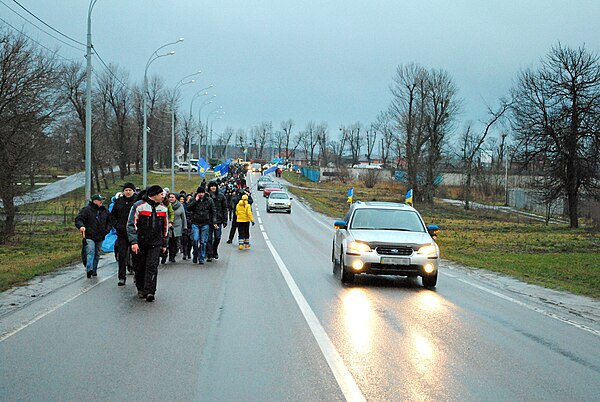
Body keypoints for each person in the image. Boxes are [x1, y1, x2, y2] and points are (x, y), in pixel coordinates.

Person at [127, 185, 168, 302]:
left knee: (152, 266)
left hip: (156, 243)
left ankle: (150, 291)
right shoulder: (139, 206)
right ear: (154, 195)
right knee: (140, 267)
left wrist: (164, 243)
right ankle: (140, 288)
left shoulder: (163, 209)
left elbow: (165, 228)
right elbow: (131, 225)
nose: (163, 196)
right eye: (161, 194)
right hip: (140, 242)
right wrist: (134, 242)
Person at [75, 194, 111, 278]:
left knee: (97, 253)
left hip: (100, 235)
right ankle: (89, 269)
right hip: (89, 235)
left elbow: (109, 221)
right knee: (90, 252)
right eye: (99, 200)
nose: (101, 201)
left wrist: (107, 230)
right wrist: (81, 226)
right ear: (94, 201)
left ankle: (94, 270)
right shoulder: (86, 210)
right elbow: (79, 219)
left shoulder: (104, 210)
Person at [109, 182, 137, 286]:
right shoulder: (119, 202)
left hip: (134, 233)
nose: (128, 192)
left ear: (133, 191)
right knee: (122, 255)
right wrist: (116, 225)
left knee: (136, 255)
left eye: (130, 190)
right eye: (126, 190)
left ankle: (136, 275)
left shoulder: (137, 201)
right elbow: (112, 216)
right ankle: (121, 277)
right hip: (121, 233)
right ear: (123, 191)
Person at [186, 186, 216, 264]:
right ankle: (195, 254)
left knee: (203, 242)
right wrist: (195, 201)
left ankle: (201, 257)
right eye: (200, 193)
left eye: (202, 193)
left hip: (205, 223)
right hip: (195, 222)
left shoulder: (209, 200)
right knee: (195, 239)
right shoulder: (193, 199)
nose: (201, 194)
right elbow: (188, 208)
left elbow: (213, 211)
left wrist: (214, 222)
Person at [206, 181, 228, 261]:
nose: (213, 188)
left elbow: (225, 208)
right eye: (211, 186)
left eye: (214, 186)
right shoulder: (206, 196)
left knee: (217, 237)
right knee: (209, 238)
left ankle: (215, 250)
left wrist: (225, 219)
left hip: (218, 220)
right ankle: (209, 253)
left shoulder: (221, 196)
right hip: (208, 220)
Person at [167, 192, 187, 262]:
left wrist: (185, 227)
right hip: (168, 226)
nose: (171, 199)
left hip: (177, 226)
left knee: (174, 242)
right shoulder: (165, 205)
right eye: (170, 197)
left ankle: (172, 256)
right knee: (167, 242)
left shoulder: (180, 206)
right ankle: (165, 255)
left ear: (175, 198)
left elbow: (183, 217)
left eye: (172, 197)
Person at [178, 194, 192, 260]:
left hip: (191, 224)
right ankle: (185, 253)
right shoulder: (181, 206)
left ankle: (188, 252)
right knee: (184, 239)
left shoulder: (192, 205)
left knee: (190, 240)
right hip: (184, 224)